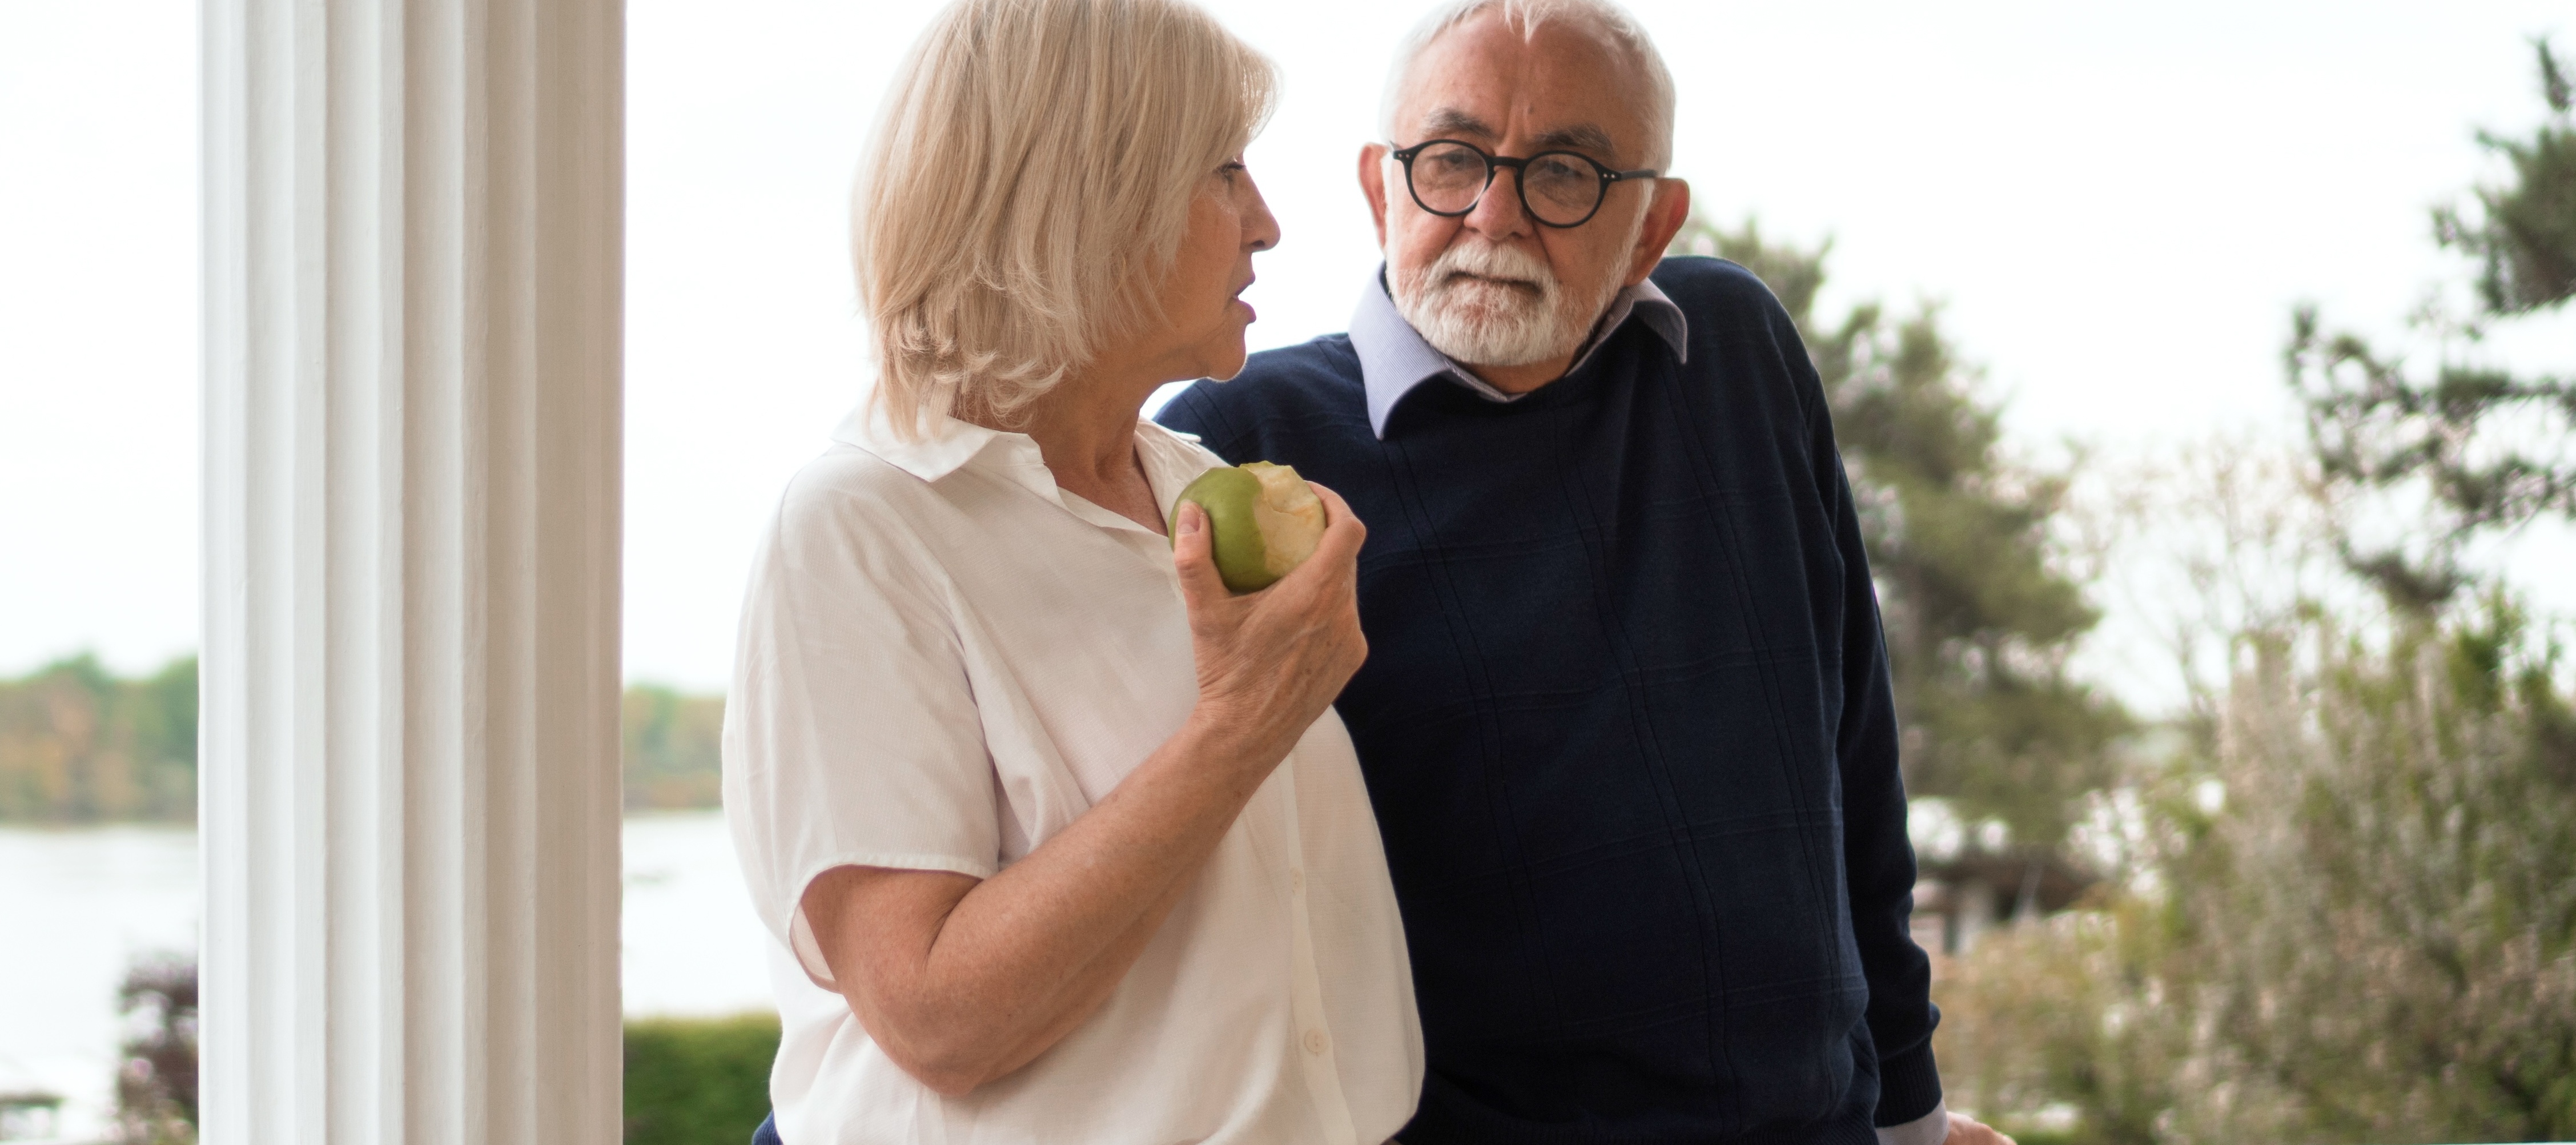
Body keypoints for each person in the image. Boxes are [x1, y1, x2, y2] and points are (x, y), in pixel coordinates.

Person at [1156, 2, 2012, 1142]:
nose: (1493, 215)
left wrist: (1913, 1116)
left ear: (1653, 225)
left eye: (1564, 171)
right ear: (1379, 188)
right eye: (1451, 160)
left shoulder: (1736, 353)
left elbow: (1855, 755)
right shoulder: (1237, 447)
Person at [723, 1, 1422, 1142]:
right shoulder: (859, 528)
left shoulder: (1199, 482)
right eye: (1226, 171)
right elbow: (937, 1022)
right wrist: (1240, 725)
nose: (1267, 224)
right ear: (1091, 198)